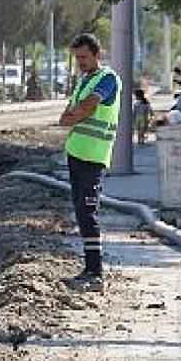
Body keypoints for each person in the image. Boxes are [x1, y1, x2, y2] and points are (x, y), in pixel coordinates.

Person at [58, 33, 121, 293]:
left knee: (87, 211)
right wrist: (73, 115)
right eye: (77, 58)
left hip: (94, 156)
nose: (80, 62)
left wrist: (75, 116)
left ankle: (95, 272)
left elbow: (87, 108)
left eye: (84, 57)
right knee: (82, 213)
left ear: (97, 54)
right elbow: (68, 113)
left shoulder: (107, 79)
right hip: (77, 153)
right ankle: (89, 269)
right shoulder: (85, 80)